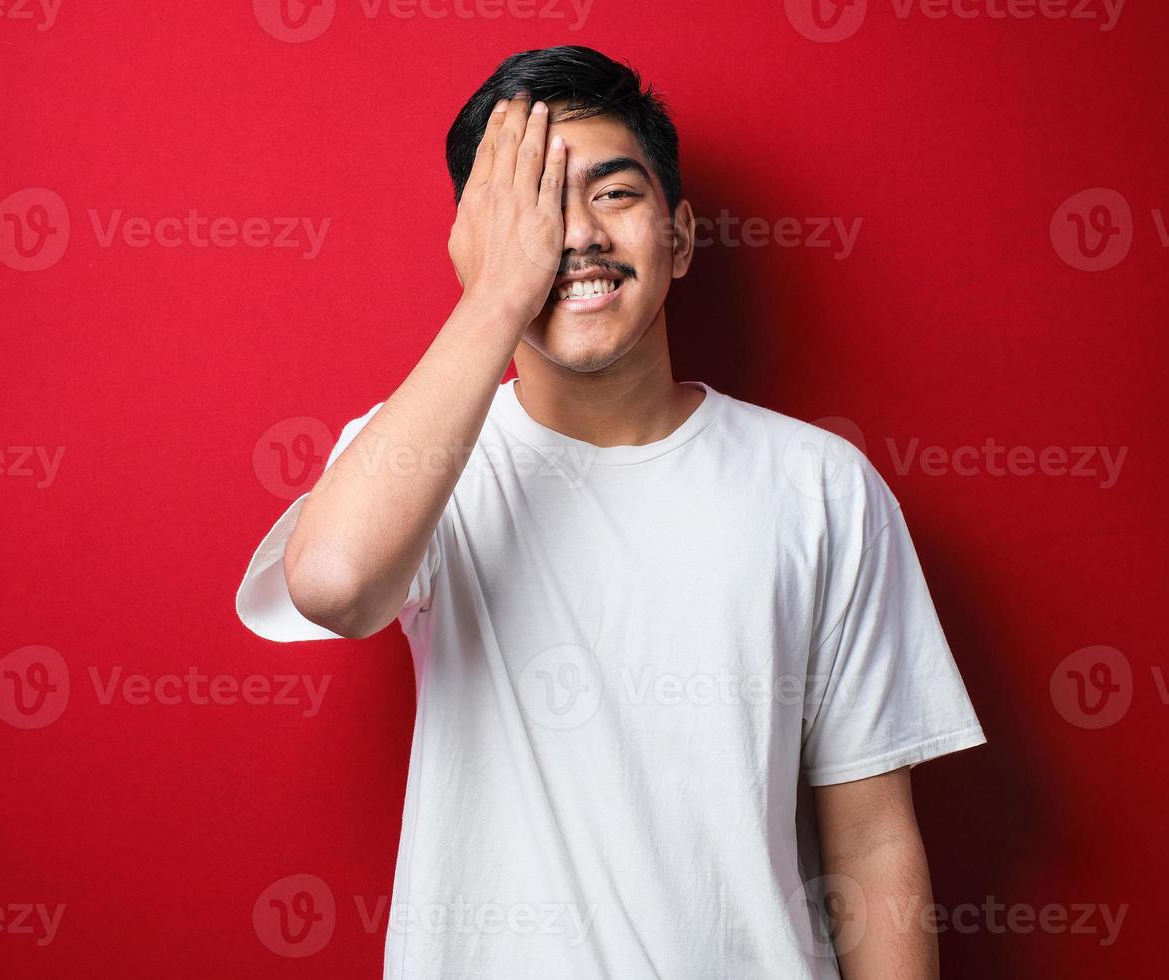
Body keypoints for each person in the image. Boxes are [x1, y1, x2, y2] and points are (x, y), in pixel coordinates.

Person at [236, 44, 985, 979]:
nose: (575, 237)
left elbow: (872, 842)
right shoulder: (424, 461)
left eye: (612, 194)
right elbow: (336, 584)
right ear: (479, 242)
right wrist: (502, 289)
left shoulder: (820, 485)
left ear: (679, 234)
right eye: (534, 207)